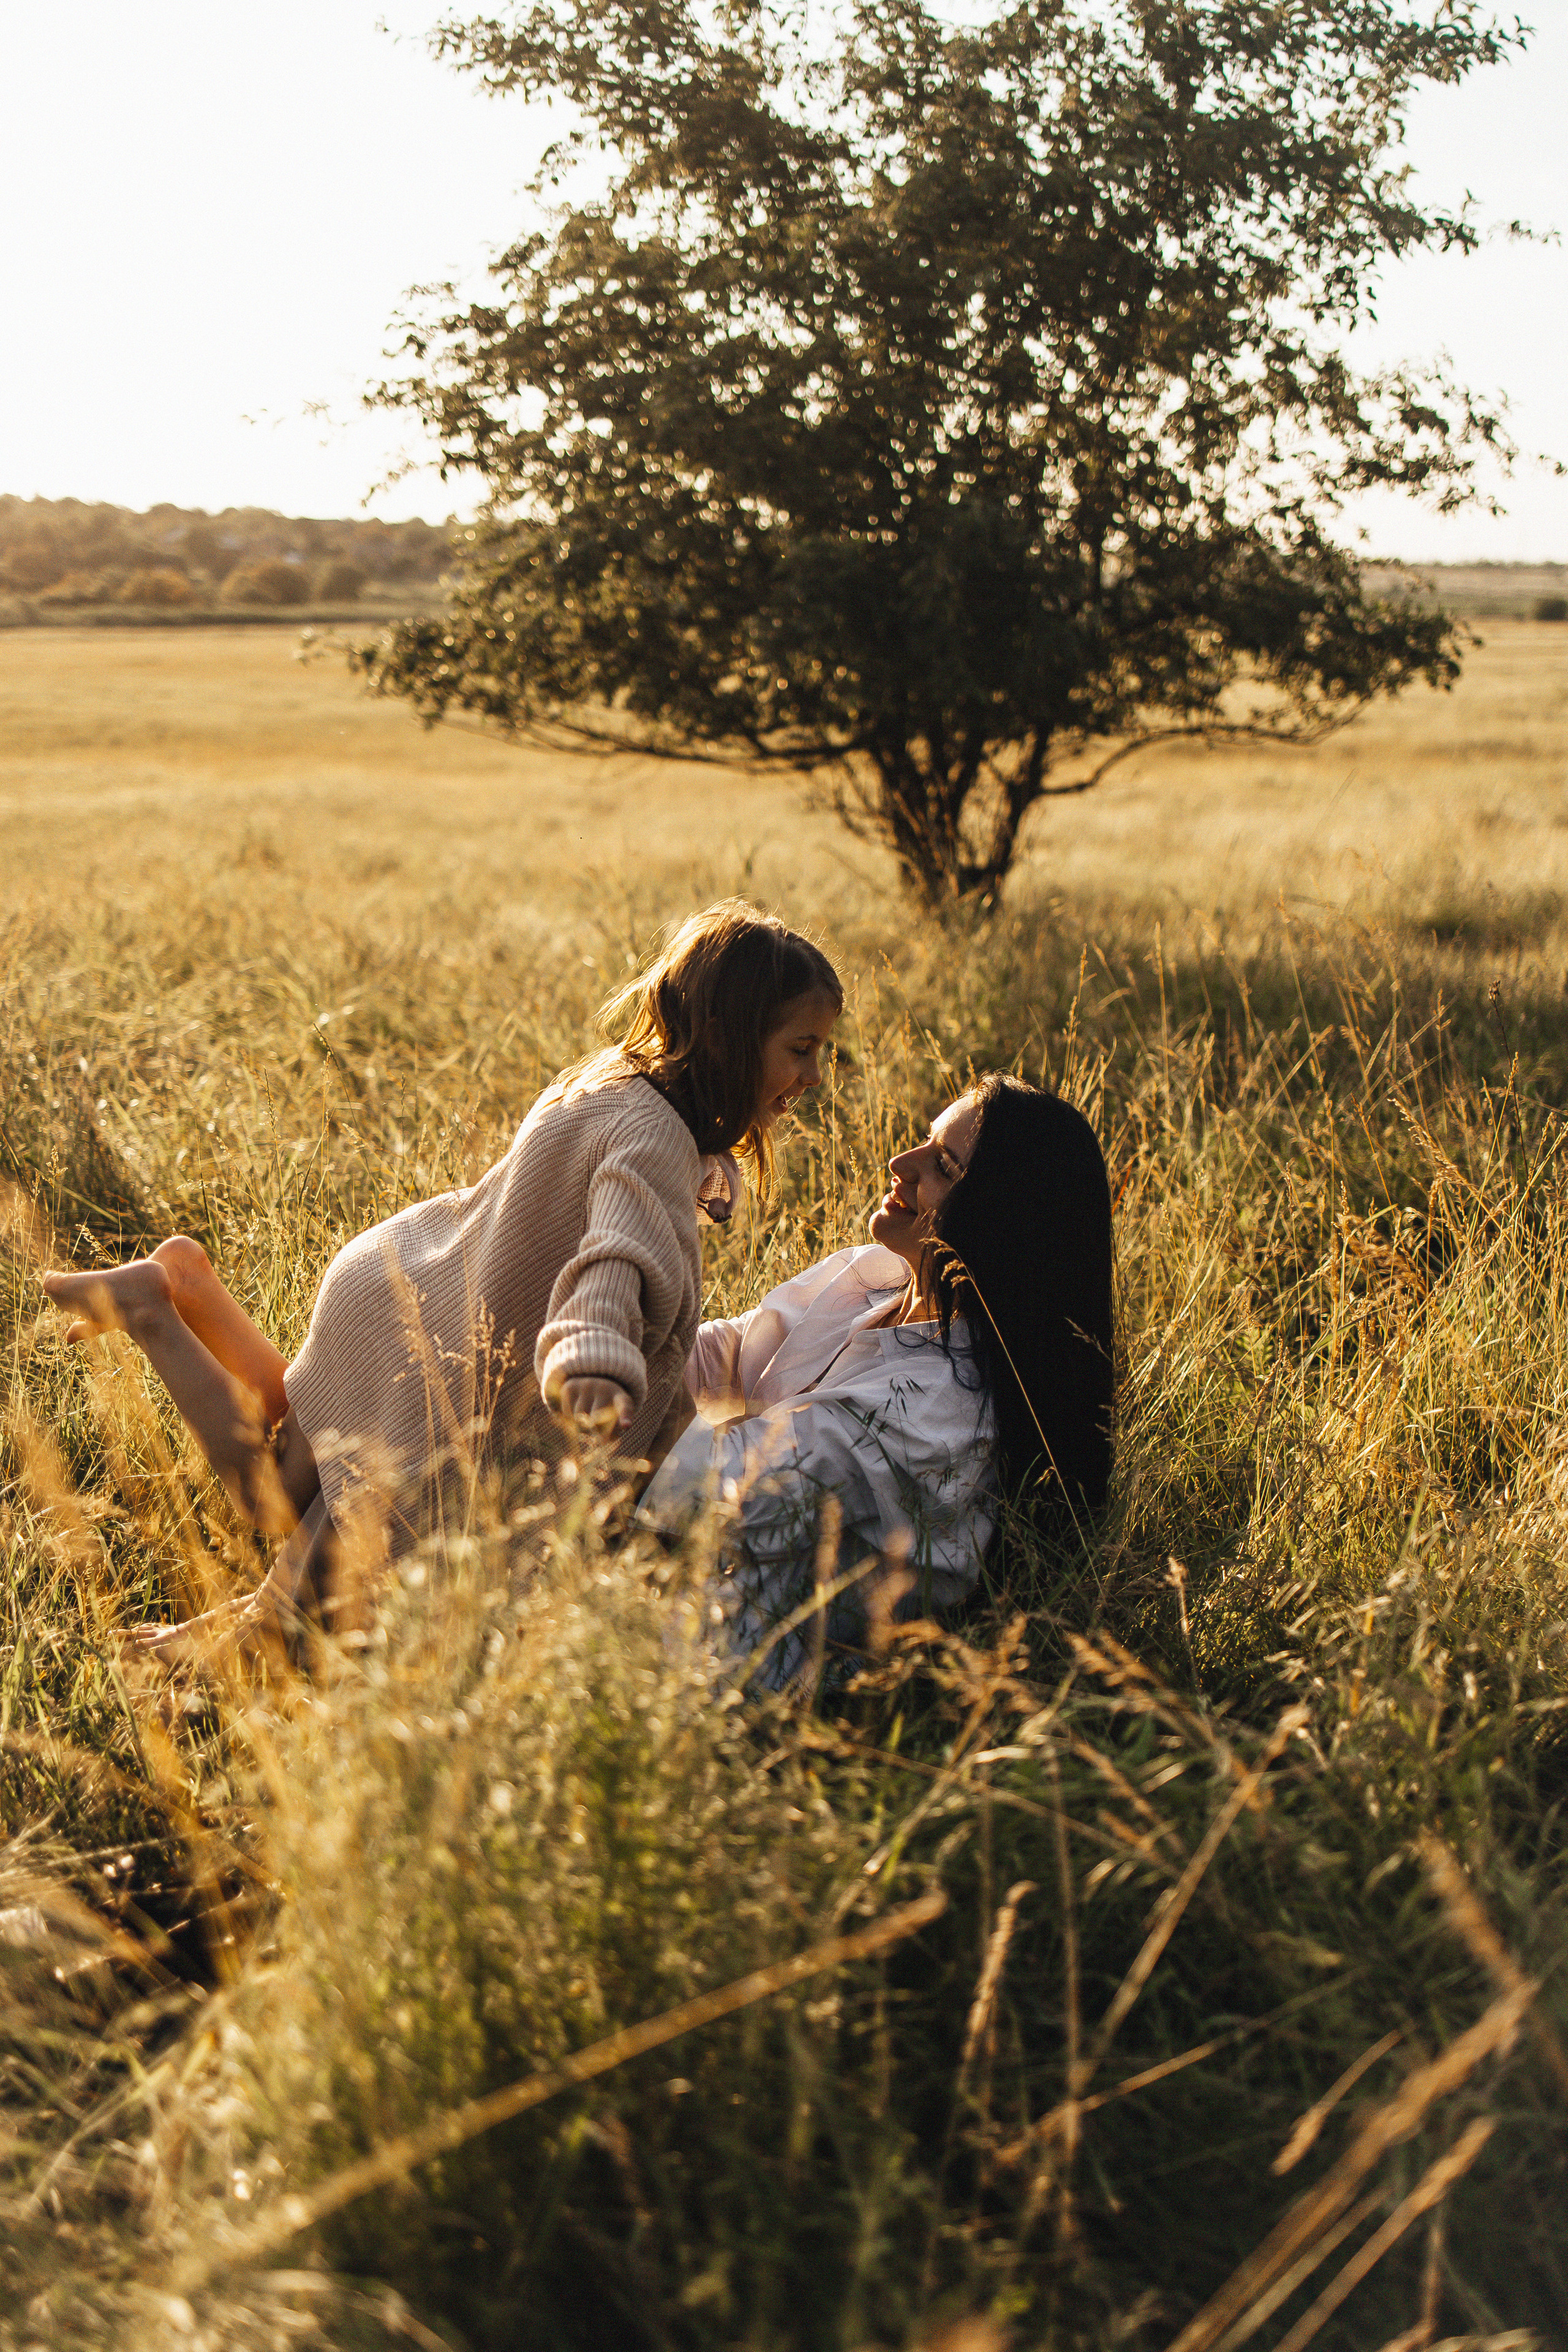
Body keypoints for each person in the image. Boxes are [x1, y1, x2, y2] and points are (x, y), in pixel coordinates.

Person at [42, 901, 842, 1647]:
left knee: (303, 1487)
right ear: (726, 1035)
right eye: (799, 1050)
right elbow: (613, 1263)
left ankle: (192, 1288)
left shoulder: (613, 1081)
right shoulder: (655, 1143)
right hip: (430, 1344)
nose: (814, 1076)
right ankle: (153, 1309)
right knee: (288, 1523)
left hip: (403, 1288)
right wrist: (592, 1360)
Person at [643, 1076, 1114, 1683]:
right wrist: (615, 1338)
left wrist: (598, 1370)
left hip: (710, 1667)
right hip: (664, 1583)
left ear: (999, 1220)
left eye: (943, 1166)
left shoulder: (933, 1413)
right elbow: (731, 1353)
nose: (901, 1163)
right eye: (926, 1141)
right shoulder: (881, 1274)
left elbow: (706, 1490)